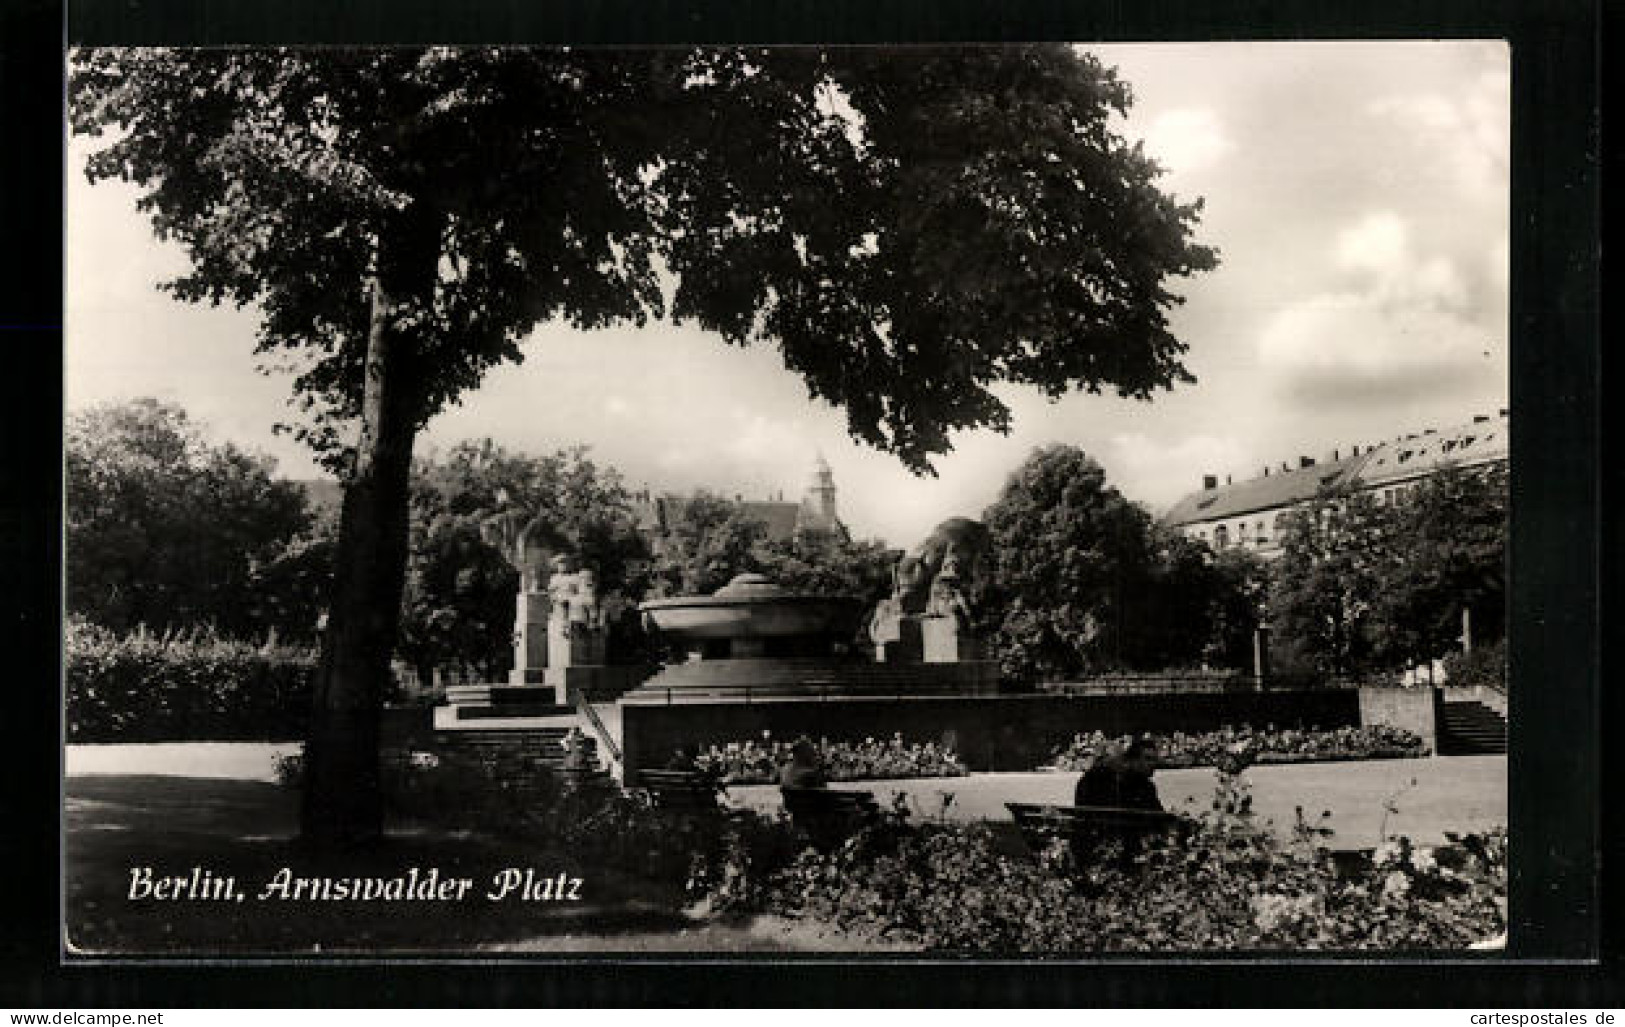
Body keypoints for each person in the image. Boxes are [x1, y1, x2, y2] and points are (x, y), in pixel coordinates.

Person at [1074, 737, 1162, 811]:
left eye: (1155, 759)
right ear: (1132, 760)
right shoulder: (1096, 779)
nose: (1153, 764)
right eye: (1148, 759)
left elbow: (1159, 815)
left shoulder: (1146, 786)